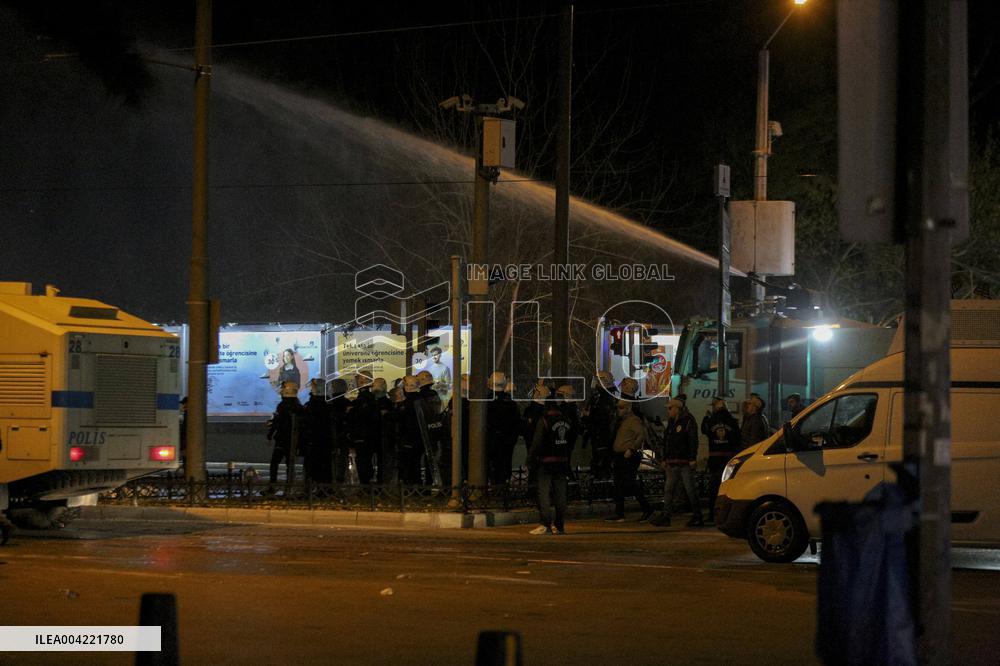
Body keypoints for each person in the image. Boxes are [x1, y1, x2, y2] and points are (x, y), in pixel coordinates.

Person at [527, 394, 575, 535]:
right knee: (560, 493)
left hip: (546, 461)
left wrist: (530, 459)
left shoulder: (544, 421)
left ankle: (545, 523)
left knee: (544, 493)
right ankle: (559, 525)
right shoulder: (566, 420)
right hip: (562, 461)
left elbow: (537, 442)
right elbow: (571, 439)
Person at [650, 398, 703, 527]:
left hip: (684, 461)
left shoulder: (688, 421)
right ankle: (666, 516)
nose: (668, 411)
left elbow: (692, 440)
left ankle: (697, 516)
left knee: (689, 490)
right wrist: (665, 458)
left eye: (670, 408)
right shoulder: (672, 422)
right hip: (673, 461)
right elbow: (667, 441)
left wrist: (692, 458)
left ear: (677, 408)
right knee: (668, 490)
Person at [606, 399, 654, 522]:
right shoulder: (622, 421)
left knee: (630, 484)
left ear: (628, 408)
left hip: (627, 456)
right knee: (619, 485)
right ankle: (620, 513)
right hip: (620, 455)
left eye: (621, 408)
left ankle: (647, 509)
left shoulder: (634, 421)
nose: (618, 410)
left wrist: (632, 449)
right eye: (618, 408)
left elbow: (641, 434)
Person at [700, 397, 741, 523]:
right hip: (728, 459)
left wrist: (705, 418)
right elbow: (738, 439)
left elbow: (704, 430)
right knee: (728, 488)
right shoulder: (732, 421)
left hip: (715, 459)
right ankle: (728, 515)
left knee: (714, 489)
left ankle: (713, 514)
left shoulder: (711, 420)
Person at [266, 381, 304, 492]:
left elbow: (277, 422)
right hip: (292, 440)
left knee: (275, 463)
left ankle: (273, 487)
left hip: (282, 440)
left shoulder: (283, 406)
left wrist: (270, 434)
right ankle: (288, 487)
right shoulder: (298, 406)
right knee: (289, 464)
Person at [486, 372, 521, 487]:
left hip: (490, 440)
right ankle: (503, 487)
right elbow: (517, 424)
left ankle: (492, 486)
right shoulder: (510, 403)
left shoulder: (485, 402)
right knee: (505, 465)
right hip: (506, 441)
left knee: (491, 465)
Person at [347, 371, 380, 484]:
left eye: (359, 380)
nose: (357, 382)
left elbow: (359, 418)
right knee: (365, 461)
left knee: (363, 461)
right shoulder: (370, 399)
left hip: (362, 436)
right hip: (368, 436)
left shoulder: (363, 400)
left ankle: (365, 486)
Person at [583, 371, 617, 480]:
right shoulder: (602, 397)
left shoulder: (605, 398)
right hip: (599, 436)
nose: (595, 384)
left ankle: (601, 484)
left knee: (601, 463)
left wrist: (589, 415)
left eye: (598, 381)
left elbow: (602, 418)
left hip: (602, 437)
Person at [302, 379, 333, 486]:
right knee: (324, 466)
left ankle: (314, 488)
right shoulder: (328, 403)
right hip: (323, 441)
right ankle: (323, 488)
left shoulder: (313, 404)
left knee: (313, 466)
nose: (311, 389)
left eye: (313, 387)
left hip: (314, 441)